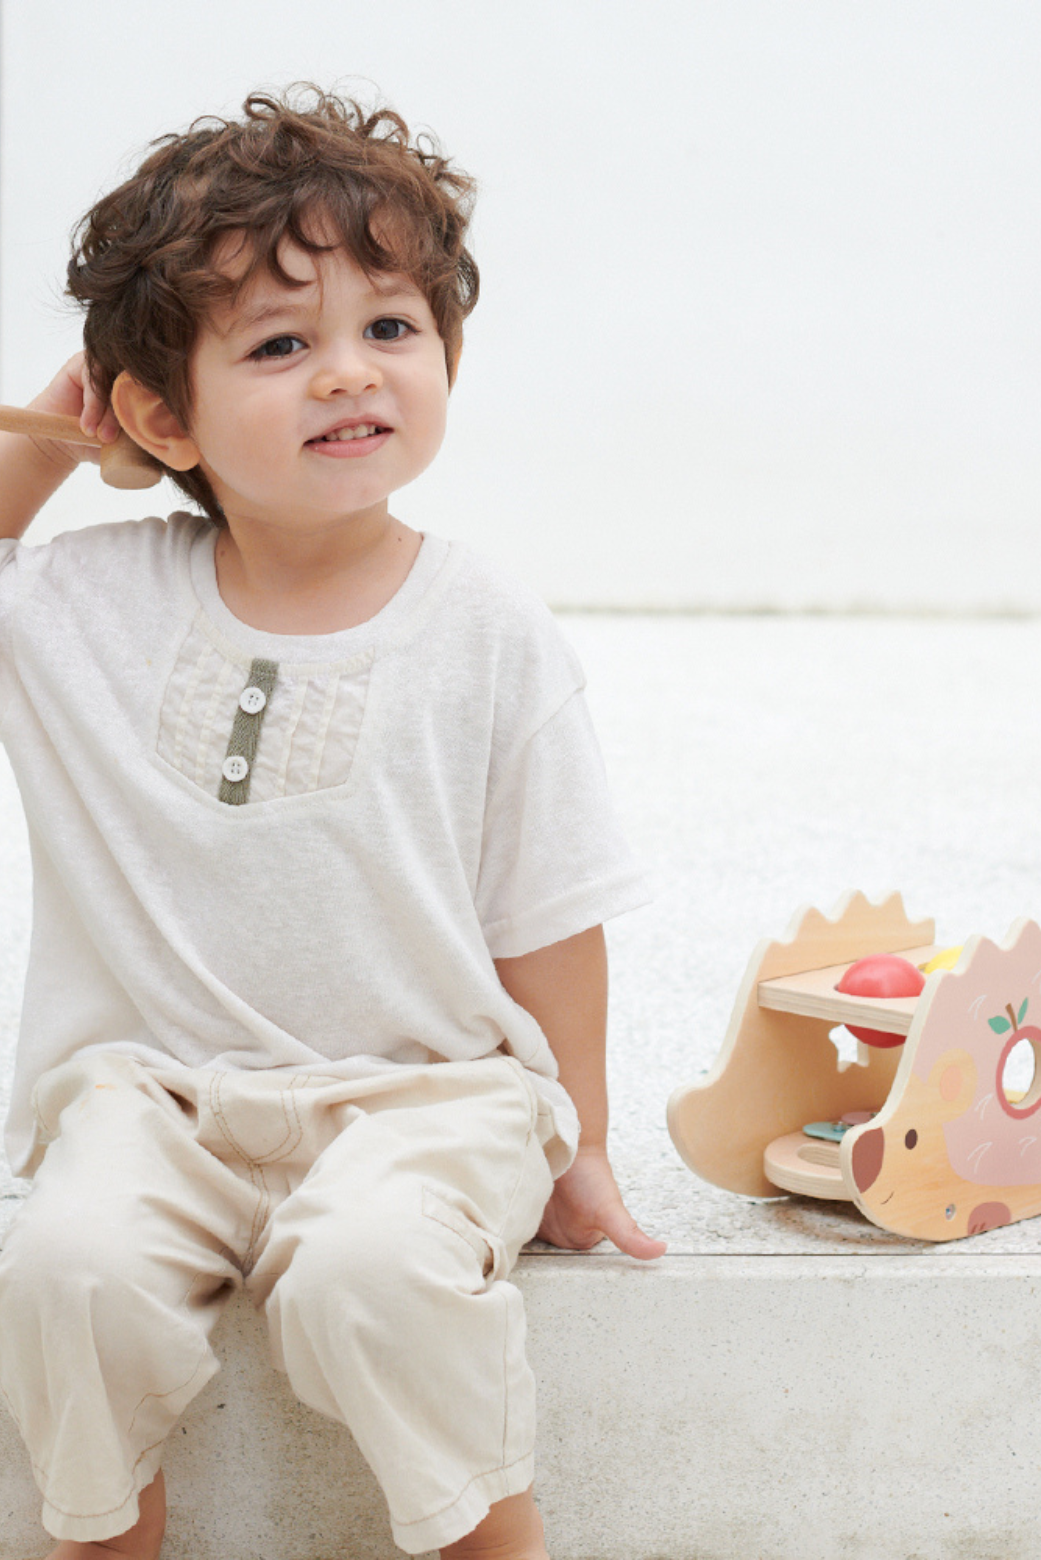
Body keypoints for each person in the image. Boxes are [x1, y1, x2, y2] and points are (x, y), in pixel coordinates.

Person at [0, 86, 664, 1560]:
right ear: (162, 414)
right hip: (152, 1096)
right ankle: (106, 1531)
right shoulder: (83, 608)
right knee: (68, 1266)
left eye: (391, 329)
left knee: (370, 1274)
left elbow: (551, 907)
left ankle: (492, 1539)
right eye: (280, 346)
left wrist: (583, 1139)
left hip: (429, 1096)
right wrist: (56, 434)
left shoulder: (485, 629)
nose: (347, 375)